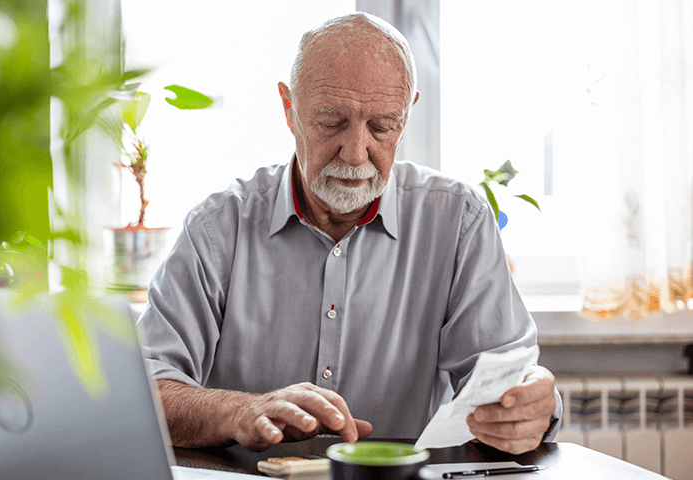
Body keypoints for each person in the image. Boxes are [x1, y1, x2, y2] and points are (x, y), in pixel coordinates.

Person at [136, 12, 562, 454]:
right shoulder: (218, 227)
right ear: (289, 108)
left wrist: (530, 408)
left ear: (407, 114)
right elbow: (144, 388)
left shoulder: (458, 221)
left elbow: (506, 381)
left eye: (381, 126)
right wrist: (242, 410)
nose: (356, 153)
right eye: (331, 121)